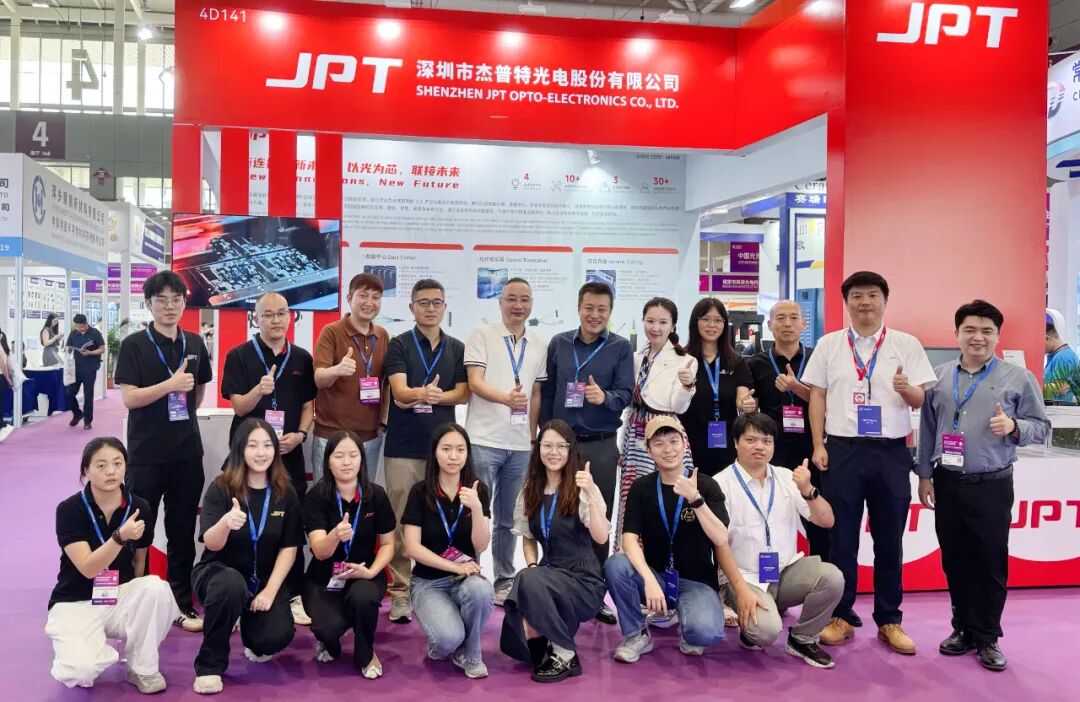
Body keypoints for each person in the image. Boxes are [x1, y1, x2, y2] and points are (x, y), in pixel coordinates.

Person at [802, 270, 936, 654]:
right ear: (846, 302)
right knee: (841, 538)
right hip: (843, 450)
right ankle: (840, 616)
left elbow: (921, 400)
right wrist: (818, 444)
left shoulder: (906, 344)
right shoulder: (829, 344)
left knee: (889, 539)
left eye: (872, 295)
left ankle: (890, 619)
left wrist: (906, 389)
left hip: (891, 452)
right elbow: (817, 396)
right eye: (857, 295)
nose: (865, 302)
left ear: (884, 300)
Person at [917, 300, 1050, 672]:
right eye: (970, 330)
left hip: (992, 484)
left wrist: (1014, 427)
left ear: (997, 336)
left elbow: (1042, 427)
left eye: (987, 331)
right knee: (955, 560)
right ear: (957, 334)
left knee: (990, 563)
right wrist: (924, 474)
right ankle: (962, 628)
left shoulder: (1018, 378)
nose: (978, 337)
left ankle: (988, 635)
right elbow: (928, 429)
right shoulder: (938, 377)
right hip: (947, 482)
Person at [604, 416, 764, 662]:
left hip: (696, 582)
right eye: (659, 444)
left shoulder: (707, 486)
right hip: (657, 576)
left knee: (706, 634)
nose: (668, 450)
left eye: (673, 441)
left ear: (684, 444)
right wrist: (649, 579)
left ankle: (688, 620)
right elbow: (629, 540)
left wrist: (696, 500)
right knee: (616, 565)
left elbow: (721, 537)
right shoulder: (641, 487)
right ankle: (636, 635)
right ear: (649, 450)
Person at [115, 270, 213, 633]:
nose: (169, 306)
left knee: (182, 530)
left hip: (186, 453)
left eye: (176, 300)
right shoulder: (134, 345)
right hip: (146, 453)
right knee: (137, 529)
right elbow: (129, 398)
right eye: (161, 300)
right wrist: (170, 385)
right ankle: (132, 602)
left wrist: (179, 397)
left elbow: (197, 393)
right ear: (148, 304)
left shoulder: (195, 343)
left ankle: (181, 603)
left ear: (185, 304)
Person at [46, 437, 177, 694]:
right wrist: (119, 537)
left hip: (117, 595)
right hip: (76, 600)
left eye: (118, 463)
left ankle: (142, 667)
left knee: (155, 588)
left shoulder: (139, 507)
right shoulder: (69, 509)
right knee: (80, 671)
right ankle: (85, 645)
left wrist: (137, 609)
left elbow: (140, 561)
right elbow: (88, 568)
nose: (111, 471)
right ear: (86, 470)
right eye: (101, 465)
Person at [714, 413, 843, 669]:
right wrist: (740, 589)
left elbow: (827, 520)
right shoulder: (720, 484)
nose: (759, 447)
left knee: (832, 578)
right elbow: (719, 545)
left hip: (784, 571)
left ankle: (802, 638)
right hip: (744, 576)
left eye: (766, 441)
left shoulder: (787, 478)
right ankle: (749, 629)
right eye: (751, 440)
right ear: (735, 443)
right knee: (766, 633)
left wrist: (808, 490)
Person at [539, 281, 633, 624]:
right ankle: (556, 582)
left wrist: (604, 397)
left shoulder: (620, 347)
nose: (595, 315)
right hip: (562, 446)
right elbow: (549, 392)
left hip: (600, 445)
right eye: (589, 308)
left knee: (596, 517)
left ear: (610, 312)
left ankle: (595, 594)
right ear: (579, 308)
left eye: (602, 310)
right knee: (557, 516)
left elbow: (626, 393)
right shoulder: (560, 343)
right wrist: (544, 435)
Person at [221, 291, 317, 626]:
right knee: (241, 524)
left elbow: (308, 406)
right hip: (247, 458)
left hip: (288, 455)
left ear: (290, 316)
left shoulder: (302, 358)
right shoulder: (239, 356)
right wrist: (258, 391)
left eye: (281, 313)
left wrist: (301, 434)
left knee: (292, 525)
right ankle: (237, 593)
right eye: (268, 314)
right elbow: (238, 407)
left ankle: (293, 593)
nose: (276, 320)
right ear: (256, 318)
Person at [191, 418, 304, 695]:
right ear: (240, 449)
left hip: (262, 580)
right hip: (218, 573)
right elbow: (212, 543)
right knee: (230, 585)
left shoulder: (285, 492)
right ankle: (210, 665)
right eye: (253, 446)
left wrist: (270, 591)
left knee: (274, 637)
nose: (261, 453)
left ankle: (249, 627)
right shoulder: (221, 487)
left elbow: (289, 547)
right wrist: (225, 523)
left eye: (267, 445)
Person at [384, 279, 469, 623]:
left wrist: (436, 396)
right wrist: (422, 394)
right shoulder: (399, 344)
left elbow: (463, 392)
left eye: (436, 302)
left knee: (444, 520)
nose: (430, 308)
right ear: (412, 308)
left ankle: (442, 583)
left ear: (444, 307)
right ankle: (400, 592)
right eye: (423, 302)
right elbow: (399, 392)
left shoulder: (457, 347)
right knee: (401, 520)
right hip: (403, 447)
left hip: (444, 452)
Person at [500, 419, 609, 683]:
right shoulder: (530, 490)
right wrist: (532, 565)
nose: (554, 452)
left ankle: (565, 652)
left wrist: (591, 495)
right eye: (547, 445)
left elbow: (601, 536)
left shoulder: (583, 487)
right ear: (538, 449)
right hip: (549, 575)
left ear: (571, 450)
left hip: (583, 579)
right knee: (519, 641)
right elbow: (528, 538)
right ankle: (551, 640)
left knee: (527, 580)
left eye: (561, 446)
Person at [464, 277, 548, 604]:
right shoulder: (482, 334)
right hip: (483, 439)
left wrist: (532, 437)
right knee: (476, 512)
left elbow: (536, 393)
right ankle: (470, 572)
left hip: (520, 445)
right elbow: (474, 381)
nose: (518, 305)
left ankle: (504, 578)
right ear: (500, 302)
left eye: (524, 299)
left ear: (532, 304)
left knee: (509, 519)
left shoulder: (539, 342)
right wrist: (505, 399)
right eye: (511, 298)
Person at [402, 423, 494, 679]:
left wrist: (477, 508)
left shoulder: (478, 490)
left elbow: (481, 545)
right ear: (435, 452)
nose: (454, 456)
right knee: (446, 640)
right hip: (428, 583)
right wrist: (456, 566)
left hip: (467, 580)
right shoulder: (420, 491)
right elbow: (412, 547)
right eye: (446, 449)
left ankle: (471, 655)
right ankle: (451, 640)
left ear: (467, 453)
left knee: (481, 590)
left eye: (460, 450)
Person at [302, 430, 396, 678]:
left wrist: (372, 571)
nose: (346, 462)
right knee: (327, 627)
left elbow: (389, 544)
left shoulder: (376, 495)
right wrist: (335, 535)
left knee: (364, 598)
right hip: (324, 575)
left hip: (364, 571)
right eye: (339, 456)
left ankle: (366, 653)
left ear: (362, 460)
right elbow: (320, 552)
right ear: (328, 462)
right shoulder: (316, 497)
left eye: (353, 455)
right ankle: (329, 639)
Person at [746, 301, 826, 558]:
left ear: (804, 324)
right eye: (780, 318)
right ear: (770, 325)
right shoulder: (755, 363)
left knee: (817, 520)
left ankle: (821, 573)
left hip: (813, 449)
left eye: (793, 318)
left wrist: (796, 387)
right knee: (771, 517)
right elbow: (750, 407)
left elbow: (828, 402)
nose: (787, 323)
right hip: (773, 453)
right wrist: (747, 405)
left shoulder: (818, 358)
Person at [312, 273, 391, 484]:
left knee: (364, 496)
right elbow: (319, 379)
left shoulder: (382, 335)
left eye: (376, 297)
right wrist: (337, 370)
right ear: (349, 298)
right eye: (363, 295)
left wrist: (383, 421)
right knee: (325, 496)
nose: (369, 302)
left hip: (369, 436)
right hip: (331, 436)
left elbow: (386, 384)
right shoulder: (332, 331)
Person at [678, 298, 754, 477]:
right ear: (695, 322)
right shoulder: (682, 359)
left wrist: (746, 404)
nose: (712, 325)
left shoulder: (736, 362)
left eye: (718, 320)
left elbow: (742, 399)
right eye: (705, 319)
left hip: (725, 442)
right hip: (687, 442)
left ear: (725, 324)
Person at [65, 314, 106, 431]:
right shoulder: (73, 333)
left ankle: (88, 421)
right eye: (77, 327)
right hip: (76, 368)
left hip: (90, 368)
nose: (79, 329)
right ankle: (77, 414)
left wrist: (90, 353)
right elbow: (68, 347)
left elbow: (102, 349)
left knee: (88, 395)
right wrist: (68, 349)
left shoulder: (95, 333)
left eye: (81, 327)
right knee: (69, 393)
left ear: (86, 323)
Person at [1043, 310, 1078, 403]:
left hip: (1062, 408)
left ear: (1047, 338)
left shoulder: (1064, 357)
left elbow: (1061, 388)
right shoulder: (1056, 356)